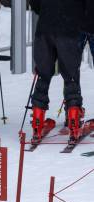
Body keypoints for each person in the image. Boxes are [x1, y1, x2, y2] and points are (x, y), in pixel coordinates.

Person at [28, 0, 86, 143]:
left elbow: (34, 3)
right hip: (69, 28)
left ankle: (37, 120)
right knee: (71, 76)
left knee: (43, 75)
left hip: (45, 27)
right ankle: (73, 118)